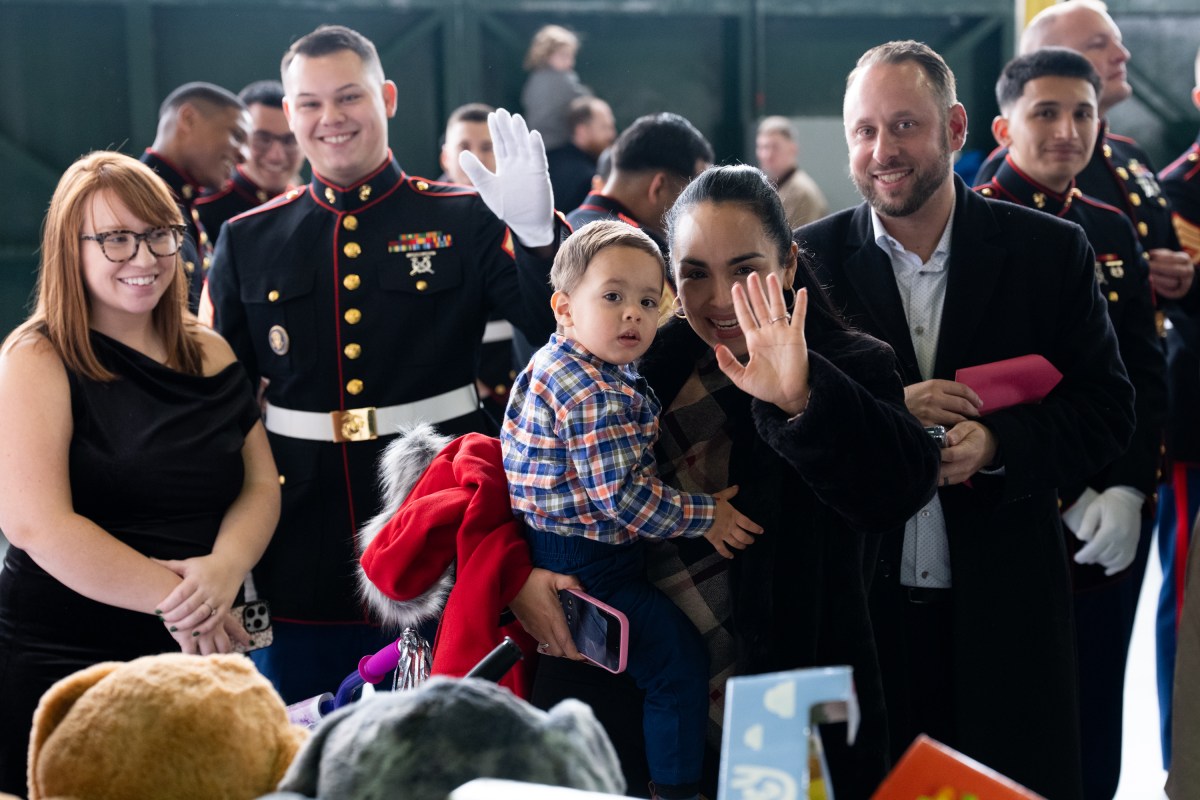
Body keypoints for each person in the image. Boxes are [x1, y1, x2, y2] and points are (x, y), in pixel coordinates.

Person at [529, 165, 941, 800]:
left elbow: (897, 490)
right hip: (632, 681)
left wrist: (802, 398)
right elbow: (527, 462)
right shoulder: (638, 359)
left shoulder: (853, 363)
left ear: (789, 265)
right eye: (694, 274)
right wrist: (522, 576)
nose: (720, 297)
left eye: (745, 269)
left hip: (784, 697)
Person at [797, 41, 1135, 800]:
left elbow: (1108, 408)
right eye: (863, 131)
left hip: (1004, 615)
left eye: (905, 126)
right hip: (861, 619)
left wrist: (996, 443)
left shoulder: (1049, 252)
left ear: (954, 129)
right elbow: (778, 426)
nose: (882, 151)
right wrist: (885, 412)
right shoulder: (806, 264)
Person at [205, 24, 563, 705]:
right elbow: (220, 411)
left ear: (388, 97)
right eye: (308, 104)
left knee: (446, 739)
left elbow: (551, 328)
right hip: (301, 539)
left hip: (440, 520)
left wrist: (541, 236)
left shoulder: (465, 218)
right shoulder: (249, 239)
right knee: (309, 738)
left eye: (349, 97)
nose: (329, 118)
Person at [0, 151, 279, 795]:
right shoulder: (38, 356)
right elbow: (37, 525)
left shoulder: (207, 348)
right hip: (67, 650)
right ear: (71, 247)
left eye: (159, 234)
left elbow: (260, 483)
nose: (145, 257)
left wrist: (225, 570)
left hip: (197, 641)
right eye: (117, 238)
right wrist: (190, 606)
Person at [974, 1, 1200, 770]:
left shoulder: (1109, 225)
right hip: (1015, 506)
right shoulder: (970, 224)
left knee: (1099, 711)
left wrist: (1132, 488)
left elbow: (1143, 369)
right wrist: (1064, 495)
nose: (1068, 131)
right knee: (1015, 715)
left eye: (1083, 113)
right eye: (1046, 113)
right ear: (1004, 129)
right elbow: (979, 380)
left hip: (1115, 510)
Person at [501, 220, 763, 800]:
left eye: (649, 301)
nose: (633, 315)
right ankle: (676, 789)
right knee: (676, 663)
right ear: (565, 308)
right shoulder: (595, 394)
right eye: (613, 297)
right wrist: (706, 516)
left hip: (554, 547)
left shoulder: (558, 362)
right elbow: (622, 500)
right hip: (593, 562)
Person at [141, 82, 251, 312]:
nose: (243, 156)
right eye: (237, 136)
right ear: (188, 118)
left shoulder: (179, 203)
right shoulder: (133, 202)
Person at [567, 112, 714, 255]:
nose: (698, 209)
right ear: (659, 188)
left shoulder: (566, 226)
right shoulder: (645, 252)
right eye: (693, 195)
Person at [196, 80, 305, 245]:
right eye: (263, 139)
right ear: (240, 139)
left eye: (290, 140)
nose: (276, 155)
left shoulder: (307, 207)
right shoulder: (205, 208)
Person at [521, 24, 590, 151]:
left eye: (571, 56)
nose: (570, 62)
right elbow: (588, 103)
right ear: (546, 55)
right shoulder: (564, 79)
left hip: (535, 147)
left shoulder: (533, 80)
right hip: (559, 147)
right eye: (564, 55)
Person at [755, 116, 829, 228]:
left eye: (775, 147)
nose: (767, 155)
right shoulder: (777, 188)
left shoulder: (802, 194)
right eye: (763, 147)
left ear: (793, 149)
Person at [548, 96, 617, 213]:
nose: (612, 134)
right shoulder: (588, 178)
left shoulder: (548, 158)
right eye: (605, 127)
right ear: (582, 131)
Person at [437, 102, 496, 186]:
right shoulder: (421, 199)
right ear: (445, 158)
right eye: (463, 148)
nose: (476, 158)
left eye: (487, 148)